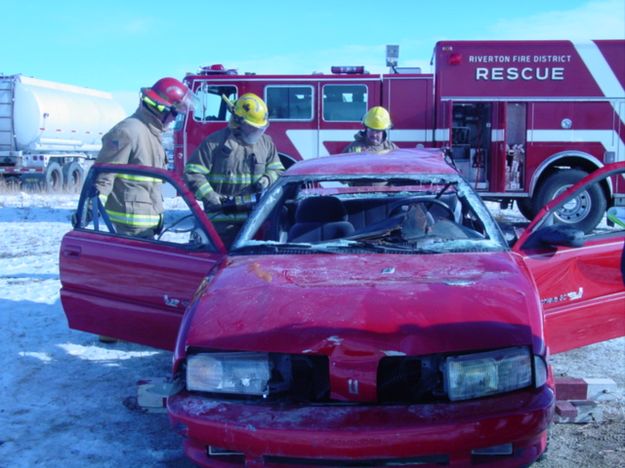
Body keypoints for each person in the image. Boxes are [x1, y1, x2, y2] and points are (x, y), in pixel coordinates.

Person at [94, 77, 196, 238]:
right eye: (175, 113)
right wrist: (89, 209)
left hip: (146, 226)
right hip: (130, 228)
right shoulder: (128, 131)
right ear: (162, 110)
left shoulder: (151, 133)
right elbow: (103, 176)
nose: (175, 118)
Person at [184, 93, 284, 247]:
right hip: (221, 225)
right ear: (238, 122)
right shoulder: (214, 143)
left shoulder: (266, 143)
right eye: (252, 127)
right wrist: (211, 197)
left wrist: (267, 179)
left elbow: (277, 170)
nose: (257, 132)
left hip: (255, 224)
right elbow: (192, 173)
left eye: (260, 128)